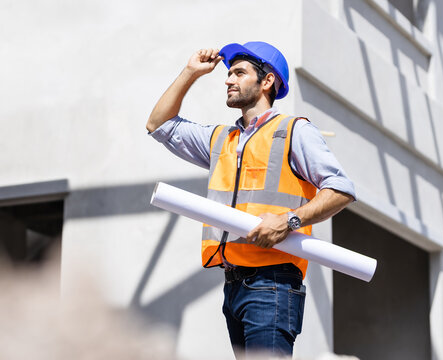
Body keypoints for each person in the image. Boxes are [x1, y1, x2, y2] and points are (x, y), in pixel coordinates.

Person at [146, 41, 355, 358]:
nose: (228, 80)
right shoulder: (221, 140)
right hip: (234, 286)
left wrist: (289, 221)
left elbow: (340, 189)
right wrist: (190, 72)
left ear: (267, 81)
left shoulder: (292, 131)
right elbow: (158, 125)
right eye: (228, 73)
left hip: (273, 284)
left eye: (239, 73)